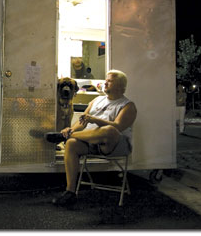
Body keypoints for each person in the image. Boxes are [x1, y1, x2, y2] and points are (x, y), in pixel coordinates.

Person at [45, 69, 137, 206]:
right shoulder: (97, 100)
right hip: (91, 142)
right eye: (106, 79)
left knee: (109, 130)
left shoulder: (128, 105)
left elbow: (118, 127)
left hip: (113, 145)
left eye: (110, 81)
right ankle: (70, 192)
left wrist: (95, 120)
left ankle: (64, 137)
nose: (105, 82)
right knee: (71, 144)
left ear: (120, 86)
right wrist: (71, 129)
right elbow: (82, 122)